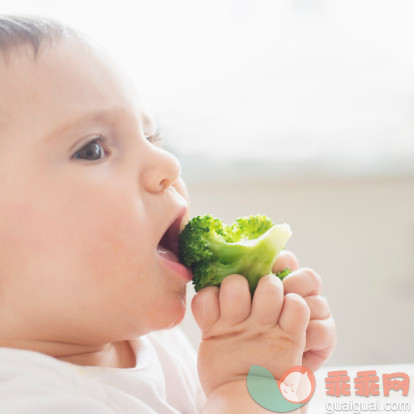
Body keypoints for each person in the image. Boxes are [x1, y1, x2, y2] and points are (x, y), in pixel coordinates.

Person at [0, 14, 336, 413]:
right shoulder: (23, 397)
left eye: (150, 137)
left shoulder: (147, 344)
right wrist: (244, 389)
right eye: (93, 149)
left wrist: (278, 379)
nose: (168, 164)